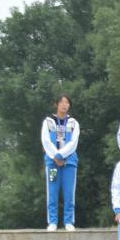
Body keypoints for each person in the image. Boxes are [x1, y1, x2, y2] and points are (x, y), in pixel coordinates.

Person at [42, 95, 80, 231]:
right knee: (52, 191)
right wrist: (55, 156)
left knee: (69, 193)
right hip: (52, 163)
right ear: (56, 104)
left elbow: (74, 142)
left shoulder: (73, 122)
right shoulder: (48, 121)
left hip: (69, 162)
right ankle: (52, 221)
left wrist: (61, 155)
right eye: (62, 102)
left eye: (67, 102)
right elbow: (45, 140)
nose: (64, 105)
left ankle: (69, 221)